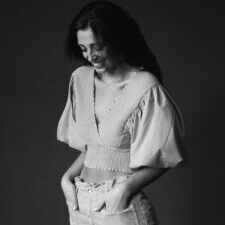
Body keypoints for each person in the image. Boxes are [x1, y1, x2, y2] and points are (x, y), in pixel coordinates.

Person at [57, 1, 185, 225]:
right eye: (83, 48)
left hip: (120, 210)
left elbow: (167, 157)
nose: (90, 56)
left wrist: (124, 190)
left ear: (117, 39)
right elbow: (95, 150)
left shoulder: (145, 86)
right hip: (79, 205)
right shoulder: (80, 79)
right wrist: (66, 179)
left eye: (97, 47)